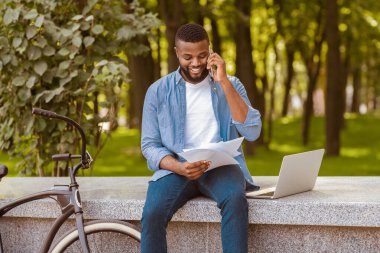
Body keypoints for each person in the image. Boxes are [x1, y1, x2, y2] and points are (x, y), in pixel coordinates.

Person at [140, 23, 262, 253]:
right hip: (176, 168)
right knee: (152, 212)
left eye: (202, 56)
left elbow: (253, 131)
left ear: (211, 52)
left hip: (221, 167)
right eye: (188, 57)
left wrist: (224, 82)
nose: (195, 63)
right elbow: (149, 145)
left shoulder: (231, 84)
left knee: (235, 201)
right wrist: (178, 166)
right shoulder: (158, 91)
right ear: (176, 53)